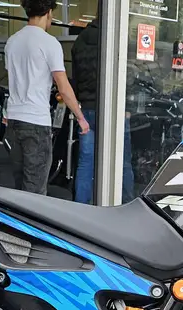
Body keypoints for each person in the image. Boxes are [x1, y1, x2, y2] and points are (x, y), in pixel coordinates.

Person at [5, 0, 88, 194]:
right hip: (36, 123)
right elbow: (63, 87)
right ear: (49, 12)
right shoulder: (49, 43)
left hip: (14, 122)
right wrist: (80, 117)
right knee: (35, 191)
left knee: (20, 188)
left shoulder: (12, 42)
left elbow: (14, 80)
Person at [70, 18, 134, 204]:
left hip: (87, 110)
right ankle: (127, 204)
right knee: (122, 161)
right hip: (113, 109)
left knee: (86, 163)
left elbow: (75, 79)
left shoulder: (80, 41)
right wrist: (127, 107)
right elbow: (124, 76)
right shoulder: (114, 38)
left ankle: (81, 207)